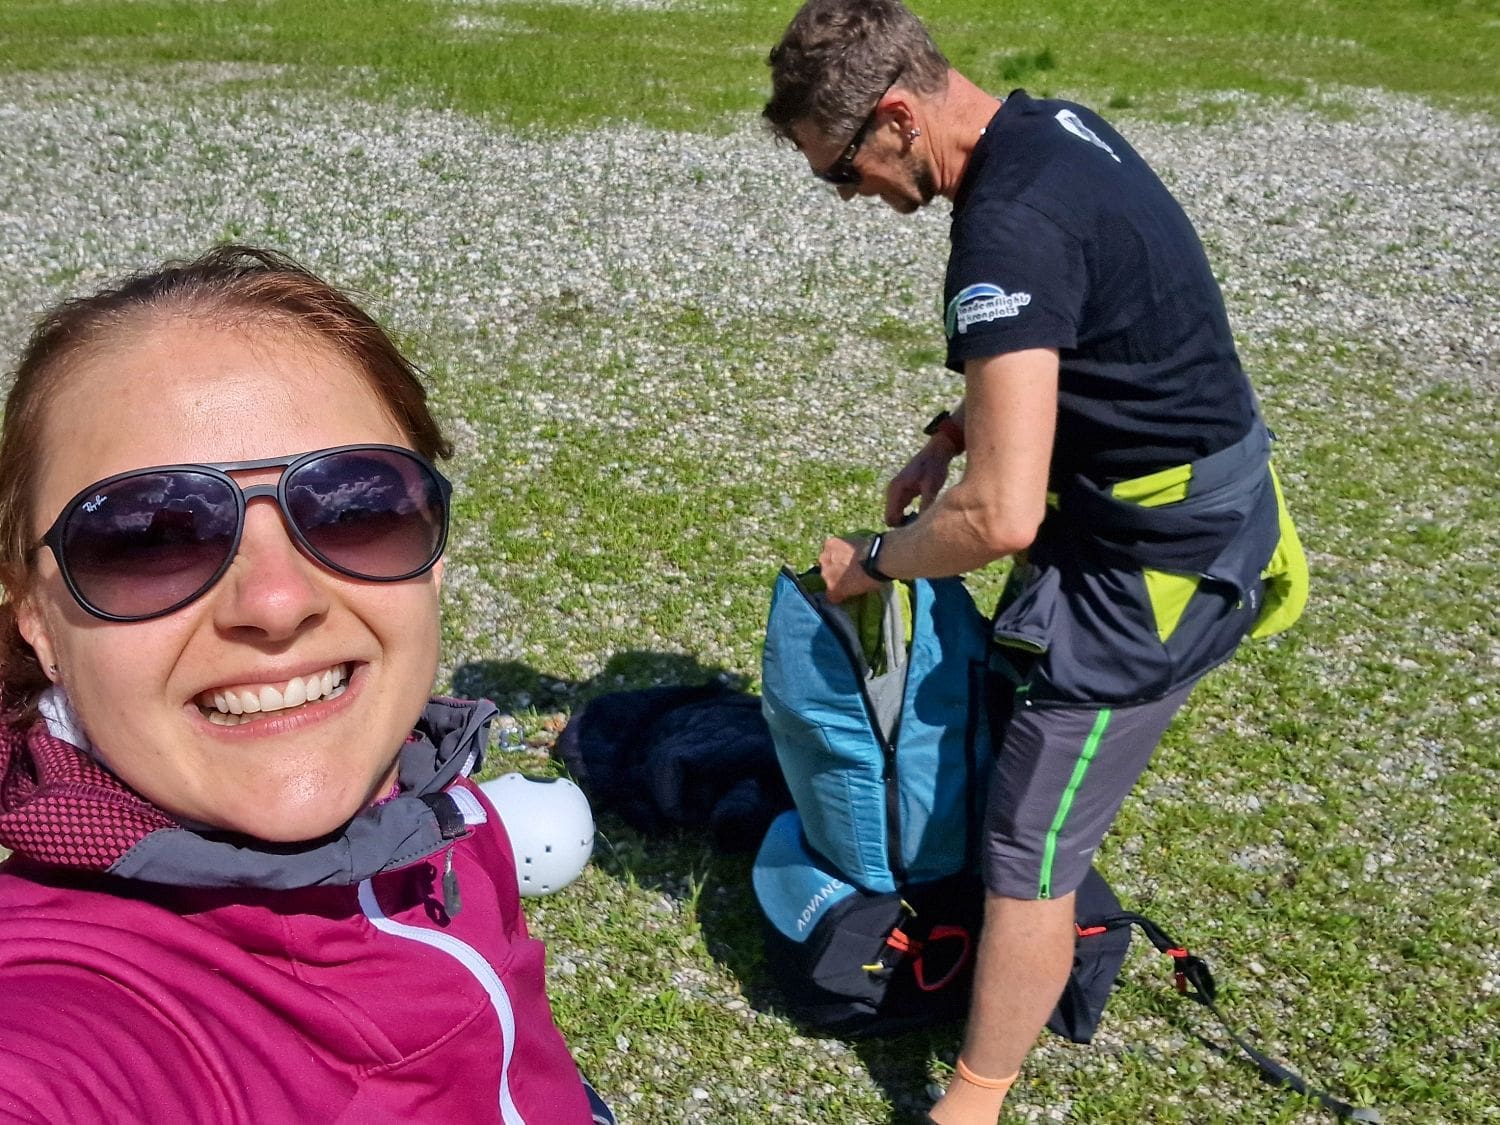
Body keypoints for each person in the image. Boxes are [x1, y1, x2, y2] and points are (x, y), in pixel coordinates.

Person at [763, 3, 1307, 1121]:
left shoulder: (1003, 229)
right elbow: (1092, 331)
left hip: (1159, 563)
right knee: (1021, 773)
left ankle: (975, 1096)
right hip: (1180, 493)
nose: (856, 199)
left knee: (1030, 841)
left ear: (899, 117)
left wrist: (876, 559)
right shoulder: (1051, 129)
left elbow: (1002, 521)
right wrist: (952, 433)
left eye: (842, 173)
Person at [0, 245, 613, 1124]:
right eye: (147, 538)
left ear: (433, 555)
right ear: (36, 617)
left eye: (357, 507)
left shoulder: (428, 787)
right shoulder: (64, 1018)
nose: (279, 601)